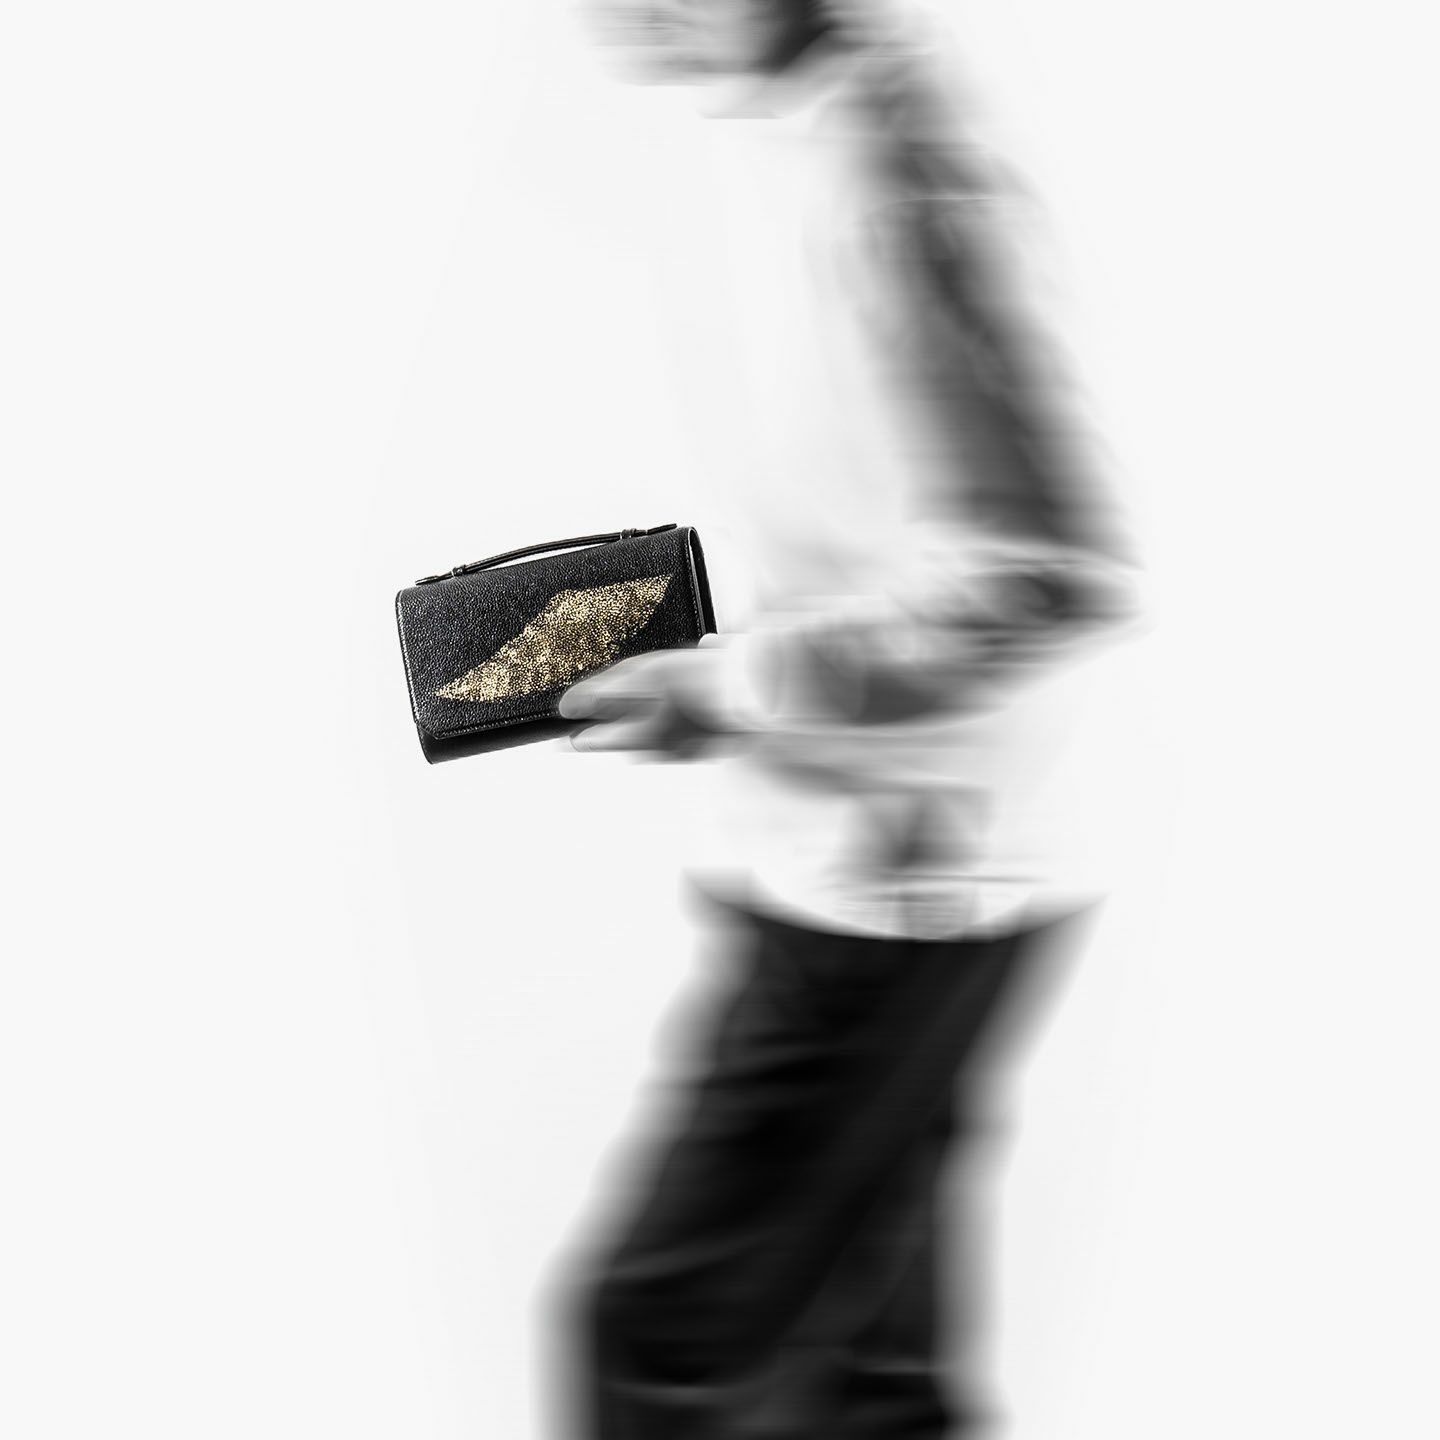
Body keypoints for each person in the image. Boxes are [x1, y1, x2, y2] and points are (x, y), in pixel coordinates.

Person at [558, 2, 1148, 1435]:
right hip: (855, 858)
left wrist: (736, 686)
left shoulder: (911, 168)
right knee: (867, 1386)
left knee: (657, 1340)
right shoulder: (810, 132)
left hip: (907, 881)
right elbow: (888, 513)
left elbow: (1048, 571)